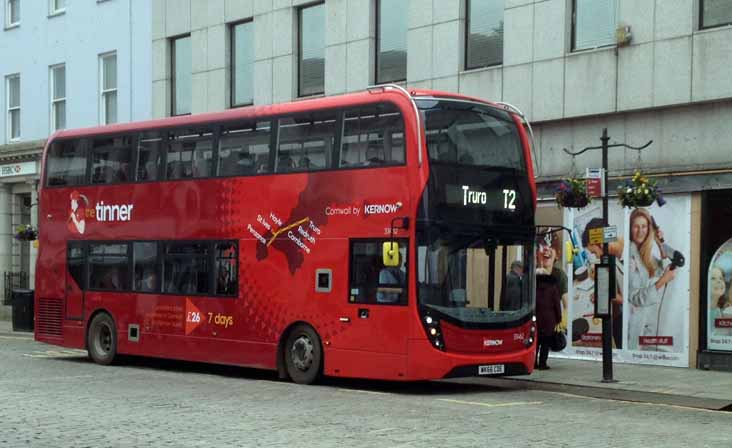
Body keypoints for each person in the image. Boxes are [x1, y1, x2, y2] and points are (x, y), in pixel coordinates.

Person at [626, 208, 677, 350]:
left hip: (646, 324)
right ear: (630, 229)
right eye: (636, 226)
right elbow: (635, 298)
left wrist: (660, 243)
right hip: (634, 325)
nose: (640, 231)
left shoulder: (644, 254)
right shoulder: (630, 256)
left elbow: (663, 270)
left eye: (644, 226)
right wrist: (662, 281)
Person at [581, 217, 625, 348]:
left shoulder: (628, 255)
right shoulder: (614, 259)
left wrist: (604, 292)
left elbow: (626, 300)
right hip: (619, 318)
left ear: (600, 243)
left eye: (594, 252)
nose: (595, 257)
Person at [535, 266, 562, 370]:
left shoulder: (534, 287)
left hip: (536, 318)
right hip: (549, 319)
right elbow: (557, 305)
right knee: (546, 342)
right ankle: (542, 364)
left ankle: (533, 363)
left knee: (536, 342)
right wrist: (559, 318)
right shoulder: (552, 288)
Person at [710, 266, 732, 336]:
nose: (719, 281)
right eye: (713, 278)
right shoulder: (704, 311)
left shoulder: (719, 311)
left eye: (721, 278)